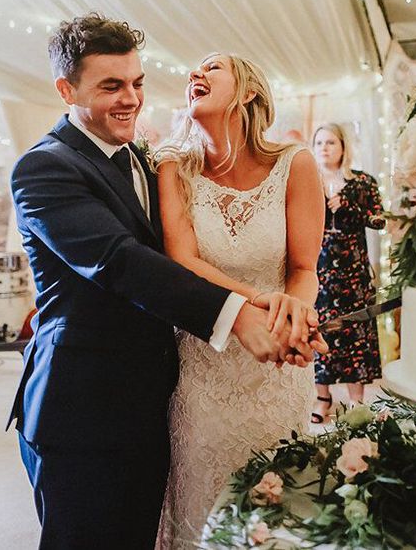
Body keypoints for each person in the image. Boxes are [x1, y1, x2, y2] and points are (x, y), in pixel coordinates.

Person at [8, 13, 316, 550]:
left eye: (137, 83)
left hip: (156, 400)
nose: (131, 99)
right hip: (84, 410)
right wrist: (238, 313)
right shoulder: (45, 168)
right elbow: (120, 261)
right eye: (111, 86)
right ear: (66, 89)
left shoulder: (142, 160)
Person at [155, 53, 325, 546]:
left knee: (273, 509)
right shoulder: (173, 167)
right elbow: (183, 261)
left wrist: (294, 309)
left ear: (249, 91)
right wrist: (264, 300)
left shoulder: (295, 165)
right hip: (203, 371)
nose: (195, 75)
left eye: (211, 68)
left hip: (274, 375)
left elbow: (303, 269)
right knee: (202, 508)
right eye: (194, 71)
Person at [311, 123, 385, 423]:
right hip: (320, 270)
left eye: (330, 142)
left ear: (343, 147)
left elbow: (379, 220)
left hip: (354, 272)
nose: (324, 148)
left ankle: (357, 401)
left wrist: (350, 207)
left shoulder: (363, 183)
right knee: (322, 331)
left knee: (356, 332)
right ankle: (322, 398)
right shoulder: (308, 182)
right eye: (318, 143)